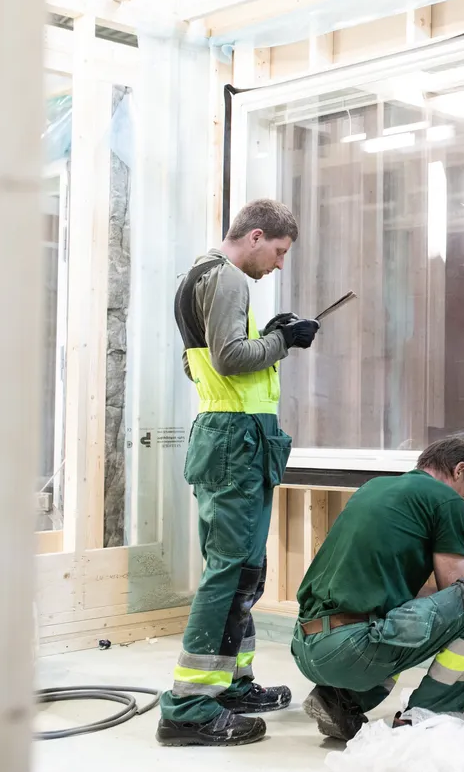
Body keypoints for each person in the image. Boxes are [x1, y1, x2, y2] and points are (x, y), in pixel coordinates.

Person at [155, 198, 322, 747]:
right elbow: (228, 359)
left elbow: (197, 363)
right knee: (231, 569)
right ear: (255, 236)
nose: (278, 264)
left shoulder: (194, 277)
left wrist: (268, 337)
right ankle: (189, 705)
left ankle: (230, 682)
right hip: (236, 440)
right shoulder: (228, 278)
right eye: (278, 252)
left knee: (244, 566)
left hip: (227, 436)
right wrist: (283, 342)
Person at [292, 438, 464, 742]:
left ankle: (341, 700)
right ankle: (428, 714)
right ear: (459, 470)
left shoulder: (373, 487)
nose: (462, 499)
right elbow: (458, 592)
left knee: (401, 616)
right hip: (351, 648)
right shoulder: (446, 499)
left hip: (306, 646)